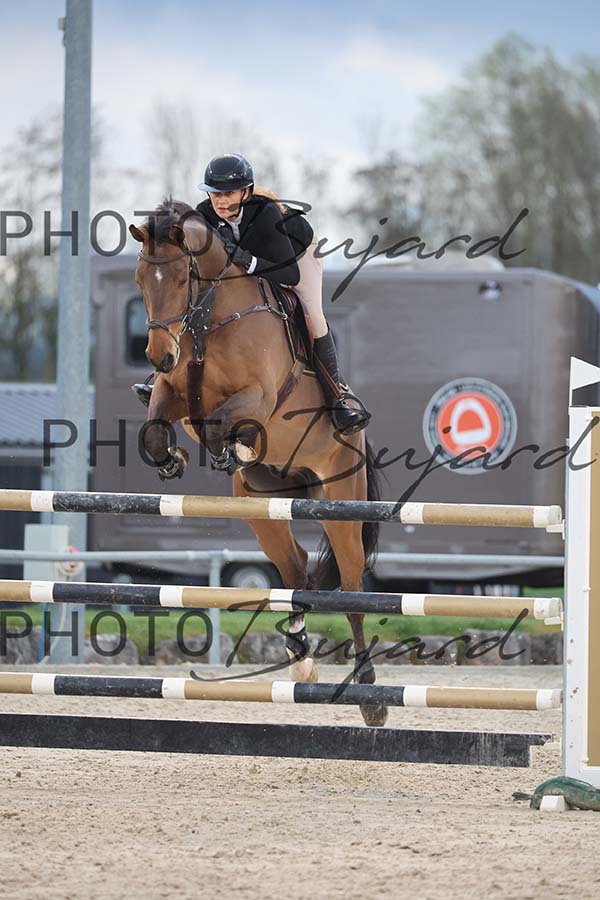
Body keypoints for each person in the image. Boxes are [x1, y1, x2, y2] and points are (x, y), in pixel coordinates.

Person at [132, 153, 370, 435]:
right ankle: (162, 378)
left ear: (245, 192)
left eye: (229, 194)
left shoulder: (266, 213)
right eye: (215, 194)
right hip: (254, 258)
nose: (220, 201)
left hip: (295, 256)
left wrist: (250, 262)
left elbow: (290, 275)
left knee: (312, 315)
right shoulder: (205, 215)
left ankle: (337, 397)